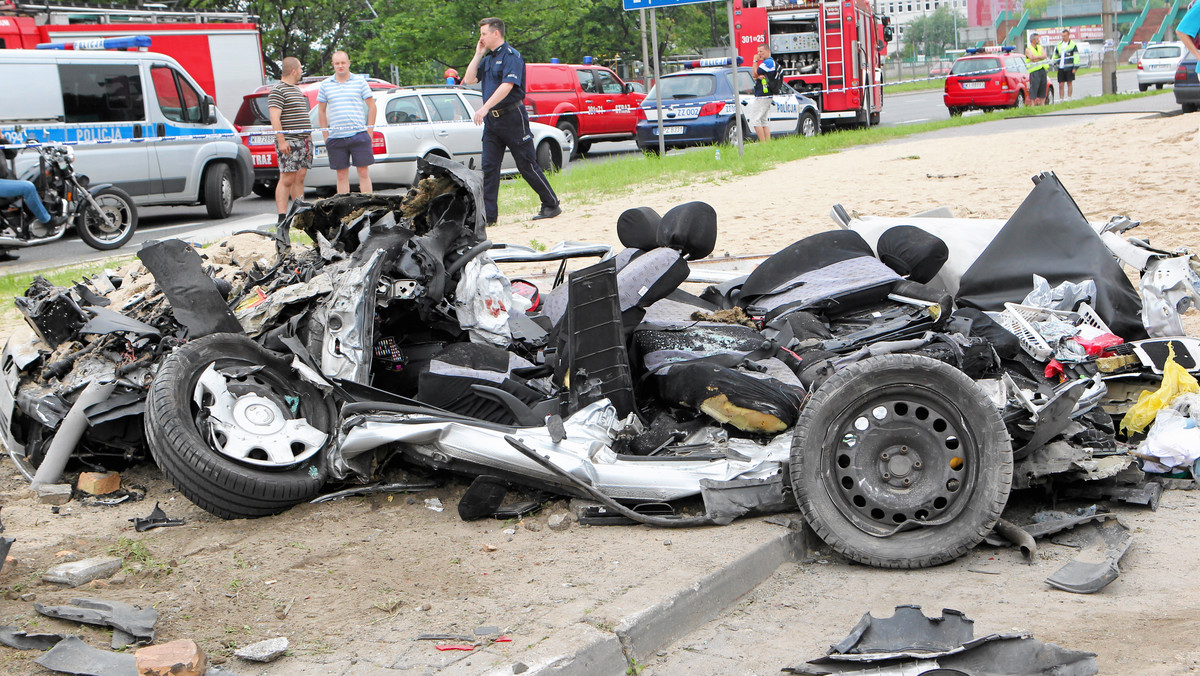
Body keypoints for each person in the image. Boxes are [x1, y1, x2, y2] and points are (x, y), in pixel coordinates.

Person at [463, 17, 561, 226]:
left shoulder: (511, 56)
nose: (481, 38)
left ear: (495, 33)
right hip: (492, 123)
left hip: (512, 118)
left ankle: (551, 204)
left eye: (483, 34)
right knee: (489, 168)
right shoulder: (488, 59)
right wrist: (478, 54)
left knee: (526, 165)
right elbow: (469, 79)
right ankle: (489, 216)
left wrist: (485, 107)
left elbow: (507, 86)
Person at [317, 50, 377, 195]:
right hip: (336, 136)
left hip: (358, 134)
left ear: (348, 63)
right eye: (337, 63)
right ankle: (345, 207)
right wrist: (325, 134)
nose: (340, 66)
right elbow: (321, 111)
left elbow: (372, 106)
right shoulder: (325, 85)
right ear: (333, 65)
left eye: (343, 63)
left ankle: (368, 205)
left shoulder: (360, 82)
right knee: (341, 175)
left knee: (363, 172)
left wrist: (369, 131)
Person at [269, 56, 312, 221]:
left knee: (300, 176)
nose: (301, 72)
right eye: (300, 68)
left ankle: (299, 213)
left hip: (304, 141)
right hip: (289, 140)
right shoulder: (278, 90)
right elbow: (275, 118)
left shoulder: (296, 89)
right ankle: (281, 217)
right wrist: (281, 140)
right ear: (293, 70)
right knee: (287, 177)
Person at [749, 44, 777, 142]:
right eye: (758, 51)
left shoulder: (768, 62)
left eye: (761, 51)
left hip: (762, 95)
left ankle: (763, 143)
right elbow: (757, 76)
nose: (759, 54)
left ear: (768, 51)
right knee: (763, 120)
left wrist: (755, 61)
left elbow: (754, 73)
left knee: (755, 120)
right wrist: (757, 77)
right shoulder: (768, 63)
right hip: (766, 94)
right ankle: (767, 143)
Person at [1053, 29, 1081, 101]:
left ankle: (1069, 98)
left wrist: (1075, 67)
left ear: (1068, 35)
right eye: (1062, 36)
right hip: (1061, 67)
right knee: (1061, 84)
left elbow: (1076, 56)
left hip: (1069, 67)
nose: (1063, 37)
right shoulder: (1059, 45)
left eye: (1065, 36)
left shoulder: (1073, 45)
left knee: (1069, 83)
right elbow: (1055, 55)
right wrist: (1054, 62)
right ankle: (1061, 99)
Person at [1025, 33, 1049, 106]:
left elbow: (1045, 56)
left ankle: (1042, 104)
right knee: (1034, 88)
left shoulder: (1040, 47)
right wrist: (1040, 57)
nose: (1038, 40)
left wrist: (1037, 57)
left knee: (1043, 87)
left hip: (1042, 69)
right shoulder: (1028, 49)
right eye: (1037, 39)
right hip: (1034, 71)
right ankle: (1032, 105)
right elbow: (1032, 58)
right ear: (1033, 40)